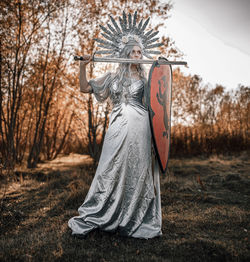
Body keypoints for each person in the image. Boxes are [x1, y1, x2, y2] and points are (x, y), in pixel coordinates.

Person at [68, 12, 162, 239]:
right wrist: (83, 66)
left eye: (140, 52)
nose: (138, 55)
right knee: (110, 166)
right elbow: (84, 88)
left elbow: (157, 107)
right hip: (117, 126)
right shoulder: (112, 77)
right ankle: (106, 211)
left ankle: (134, 215)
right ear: (125, 53)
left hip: (140, 129)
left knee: (136, 169)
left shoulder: (146, 80)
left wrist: (162, 71)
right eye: (133, 51)